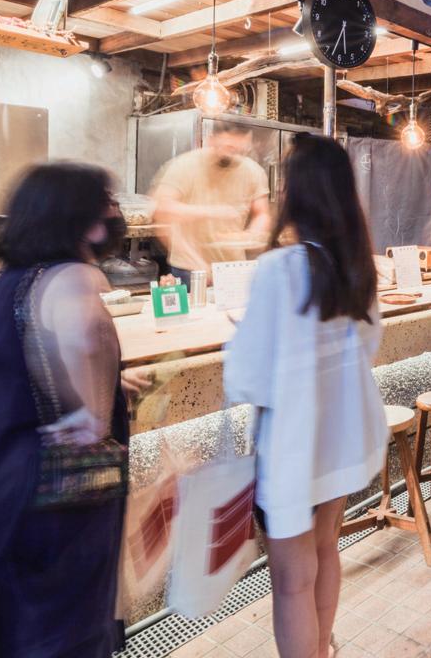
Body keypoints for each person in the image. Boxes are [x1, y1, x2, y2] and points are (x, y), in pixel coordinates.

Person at [0, 163, 151, 658]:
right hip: (51, 500)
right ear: (83, 219)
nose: (115, 212)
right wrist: (98, 407)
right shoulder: (75, 276)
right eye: (107, 201)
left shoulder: (13, 280)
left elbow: (33, 364)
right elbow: (86, 369)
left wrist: (104, 384)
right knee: (58, 634)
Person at [224, 133, 388, 658]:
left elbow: (247, 376)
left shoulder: (278, 268)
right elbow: (369, 346)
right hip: (340, 445)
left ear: (297, 192)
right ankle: (321, 649)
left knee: (292, 582)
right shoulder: (357, 269)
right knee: (325, 552)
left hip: (293, 451)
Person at [152, 120, 270, 285]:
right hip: (189, 267)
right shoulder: (185, 166)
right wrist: (212, 211)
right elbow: (162, 209)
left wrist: (252, 234)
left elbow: (261, 213)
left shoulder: (253, 171)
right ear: (212, 140)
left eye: (241, 151)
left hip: (233, 267)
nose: (234, 156)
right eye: (229, 148)